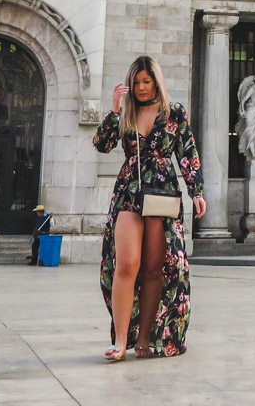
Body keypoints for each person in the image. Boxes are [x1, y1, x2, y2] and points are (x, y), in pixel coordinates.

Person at [92, 54, 206, 361]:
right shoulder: (126, 112)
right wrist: (114, 109)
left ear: (156, 81)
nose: (141, 87)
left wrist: (196, 191)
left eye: (147, 81)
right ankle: (119, 339)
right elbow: (102, 145)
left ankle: (145, 338)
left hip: (163, 193)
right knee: (127, 264)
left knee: (156, 269)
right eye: (136, 82)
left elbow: (188, 153)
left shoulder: (174, 112)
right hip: (129, 191)